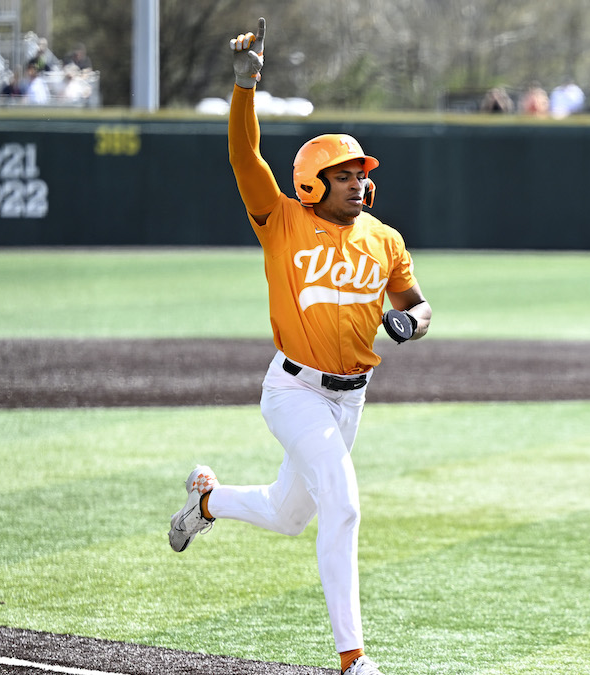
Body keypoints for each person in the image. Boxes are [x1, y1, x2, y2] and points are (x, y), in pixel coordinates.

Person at [167, 17, 431, 675]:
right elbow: (243, 157)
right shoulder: (282, 220)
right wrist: (243, 87)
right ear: (313, 183)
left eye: (362, 173)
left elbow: (418, 306)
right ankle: (354, 659)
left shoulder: (385, 238)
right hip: (293, 390)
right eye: (345, 174)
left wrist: (413, 323)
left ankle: (207, 501)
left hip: (350, 400)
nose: (359, 183)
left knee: (289, 516)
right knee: (342, 506)